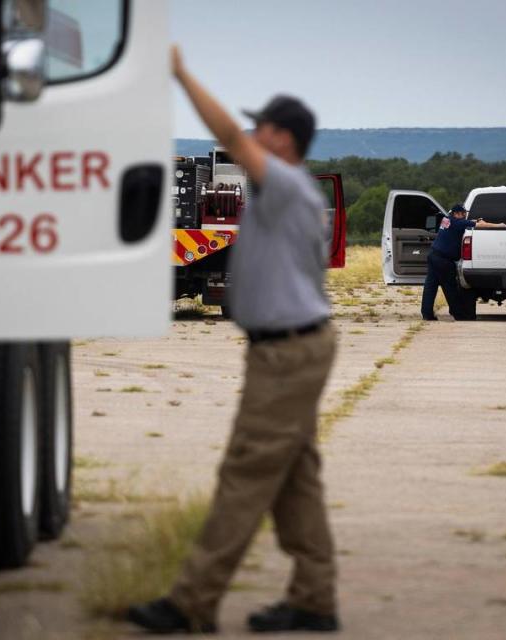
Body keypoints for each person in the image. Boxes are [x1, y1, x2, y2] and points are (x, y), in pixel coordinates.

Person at [127, 46, 339, 634]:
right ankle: (315, 599)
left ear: (283, 138)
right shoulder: (288, 193)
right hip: (294, 348)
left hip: (288, 353)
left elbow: (224, 132)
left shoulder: (288, 186)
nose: (250, 133)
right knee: (297, 483)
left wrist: (180, 74)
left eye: (262, 127)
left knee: (244, 476)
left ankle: (191, 601)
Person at [420, 204, 505, 320]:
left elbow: (468, 223)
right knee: (450, 288)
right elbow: (480, 225)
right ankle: (458, 314)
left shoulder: (447, 220)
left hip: (434, 256)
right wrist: (499, 225)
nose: (465, 216)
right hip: (444, 261)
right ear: (456, 214)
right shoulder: (458, 223)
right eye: (463, 214)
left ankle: (426, 313)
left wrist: (474, 221)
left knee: (430, 286)